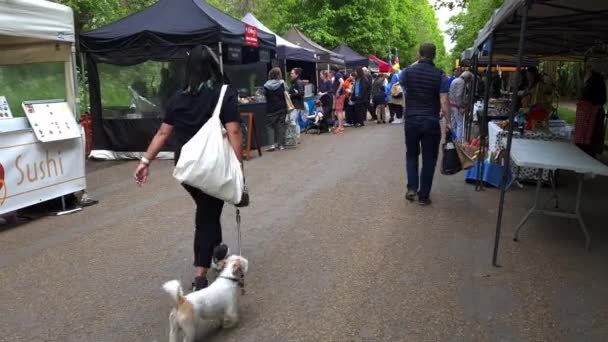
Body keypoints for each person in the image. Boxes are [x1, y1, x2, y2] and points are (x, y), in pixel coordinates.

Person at [133, 45, 246, 291]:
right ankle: (199, 278)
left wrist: (145, 162)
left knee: (208, 208)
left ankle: (217, 252)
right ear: (214, 66)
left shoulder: (177, 98)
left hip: (187, 168)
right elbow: (234, 130)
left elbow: (163, 132)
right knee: (206, 216)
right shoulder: (224, 92)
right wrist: (238, 166)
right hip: (213, 166)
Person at [400, 42, 450, 206]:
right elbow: (443, 100)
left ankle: (412, 188)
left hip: (412, 120)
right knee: (429, 159)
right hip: (431, 121)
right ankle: (423, 196)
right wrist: (448, 122)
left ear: (418, 54)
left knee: (412, 155)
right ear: (434, 56)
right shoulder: (440, 75)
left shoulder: (407, 73)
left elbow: (403, 93)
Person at [575, 61, 606, 158]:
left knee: (590, 137)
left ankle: (587, 155)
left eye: (589, 67)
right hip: (589, 112)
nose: (587, 69)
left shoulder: (596, 80)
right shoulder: (592, 80)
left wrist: (585, 101)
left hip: (592, 113)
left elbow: (598, 98)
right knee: (589, 137)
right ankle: (587, 153)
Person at [264, 67, 288, 151]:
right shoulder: (282, 83)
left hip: (271, 108)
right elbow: (286, 93)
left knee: (270, 126)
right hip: (282, 107)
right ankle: (281, 145)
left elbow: (265, 96)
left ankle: (271, 145)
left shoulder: (266, 85)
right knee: (281, 125)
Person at [448, 71, 473, 143]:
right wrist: (461, 107)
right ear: (467, 78)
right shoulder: (461, 82)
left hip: (451, 104)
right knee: (459, 124)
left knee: (453, 123)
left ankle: (453, 140)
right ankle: (458, 142)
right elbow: (459, 95)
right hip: (456, 106)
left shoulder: (455, 80)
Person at [289, 68, 306, 140]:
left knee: (293, 120)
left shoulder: (298, 82)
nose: (291, 75)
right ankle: (297, 136)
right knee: (295, 121)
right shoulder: (295, 82)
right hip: (296, 104)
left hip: (296, 104)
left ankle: (294, 137)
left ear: (296, 74)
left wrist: (290, 95)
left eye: (292, 73)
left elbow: (301, 93)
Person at [330, 65, 346, 134]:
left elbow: (342, 82)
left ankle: (340, 127)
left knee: (339, 111)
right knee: (340, 111)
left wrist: (338, 91)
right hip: (340, 95)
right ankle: (340, 127)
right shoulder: (338, 74)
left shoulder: (337, 74)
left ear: (333, 70)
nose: (330, 72)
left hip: (339, 96)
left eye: (331, 71)